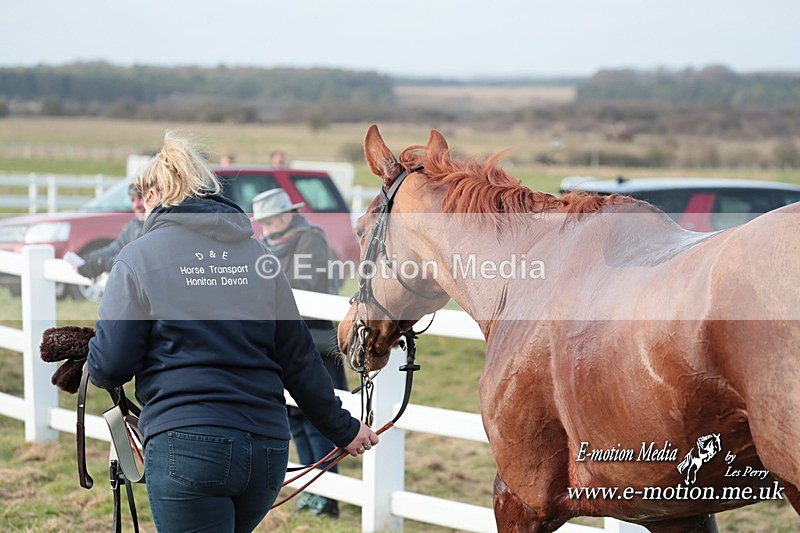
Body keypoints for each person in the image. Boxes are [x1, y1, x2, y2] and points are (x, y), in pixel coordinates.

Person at [86, 131, 377, 533]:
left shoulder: (138, 256)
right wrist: (344, 429)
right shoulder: (259, 255)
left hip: (186, 443)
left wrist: (91, 355)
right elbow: (298, 357)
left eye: (142, 195)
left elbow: (111, 365)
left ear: (156, 193)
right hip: (266, 449)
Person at [252, 188, 345, 518]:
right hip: (285, 343)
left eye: (274, 218)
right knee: (297, 422)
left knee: (318, 421)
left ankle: (327, 496)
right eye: (264, 220)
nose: (269, 225)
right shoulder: (266, 246)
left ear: (289, 214)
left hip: (312, 343)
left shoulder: (310, 239)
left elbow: (304, 283)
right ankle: (312, 491)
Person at [74, 183, 145, 279]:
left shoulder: (154, 226)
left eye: (141, 198)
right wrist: (92, 257)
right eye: (133, 200)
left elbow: (135, 259)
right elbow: (116, 247)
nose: (136, 205)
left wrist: (101, 264)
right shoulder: (135, 223)